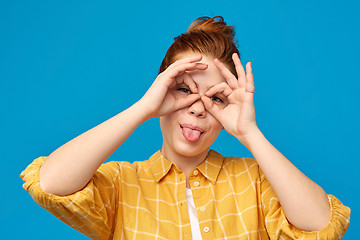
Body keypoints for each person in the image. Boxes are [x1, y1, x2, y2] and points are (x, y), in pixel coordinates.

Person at [20, 16, 350, 239]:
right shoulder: (122, 184)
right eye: (184, 89)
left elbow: (321, 226)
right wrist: (142, 108)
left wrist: (250, 133)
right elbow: (50, 185)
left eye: (215, 98)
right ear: (162, 89)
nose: (196, 107)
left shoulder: (255, 180)